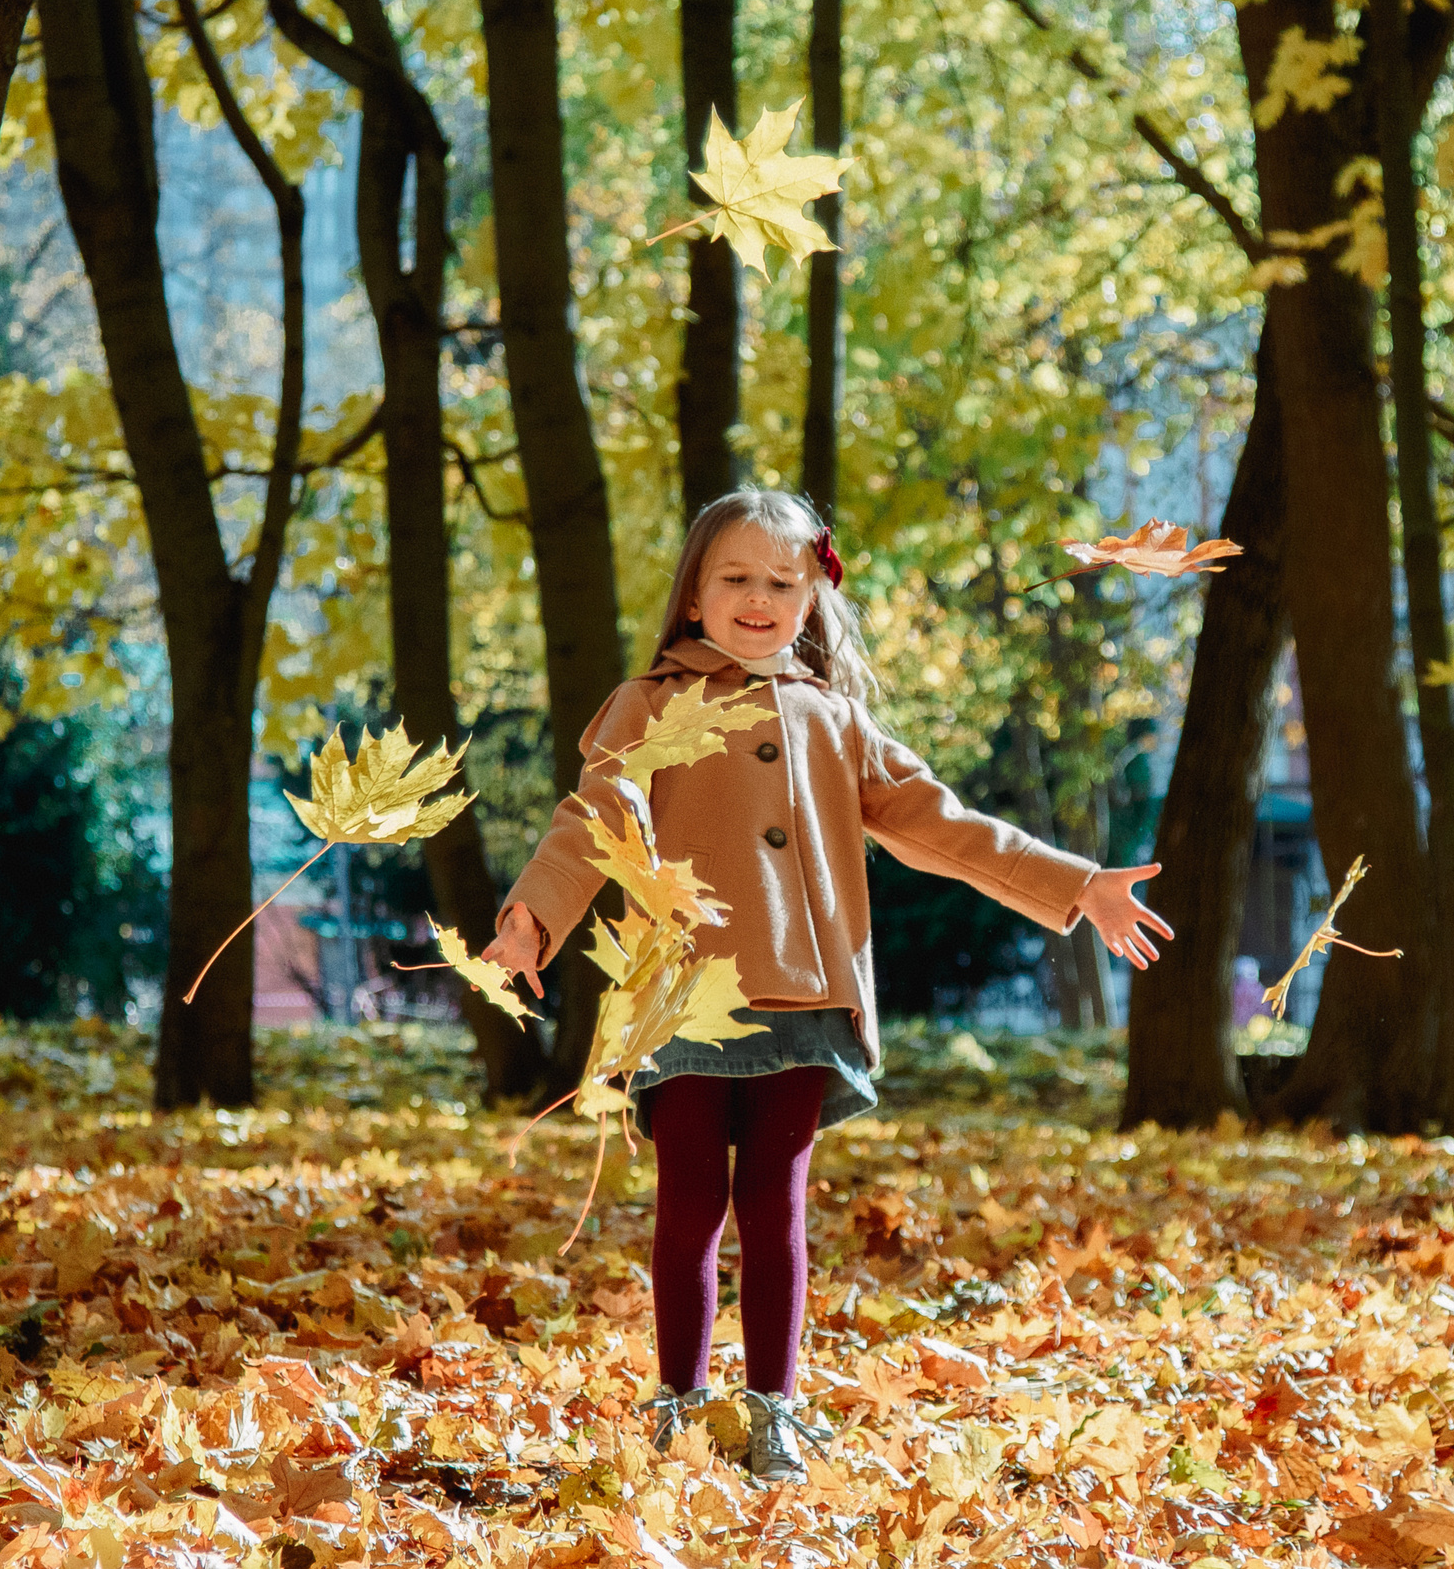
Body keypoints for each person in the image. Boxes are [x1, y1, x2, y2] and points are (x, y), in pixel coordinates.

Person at [480, 489, 1169, 1484]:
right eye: (736, 578)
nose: (758, 598)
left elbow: (943, 827)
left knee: (776, 1205)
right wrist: (532, 915)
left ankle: (775, 1408)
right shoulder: (651, 705)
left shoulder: (835, 719)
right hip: (686, 995)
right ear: (693, 596)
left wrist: (1075, 884)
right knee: (689, 1202)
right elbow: (593, 821)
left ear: (811, 600)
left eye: (782, 581)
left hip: (806, 1000)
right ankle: (679, 1403)